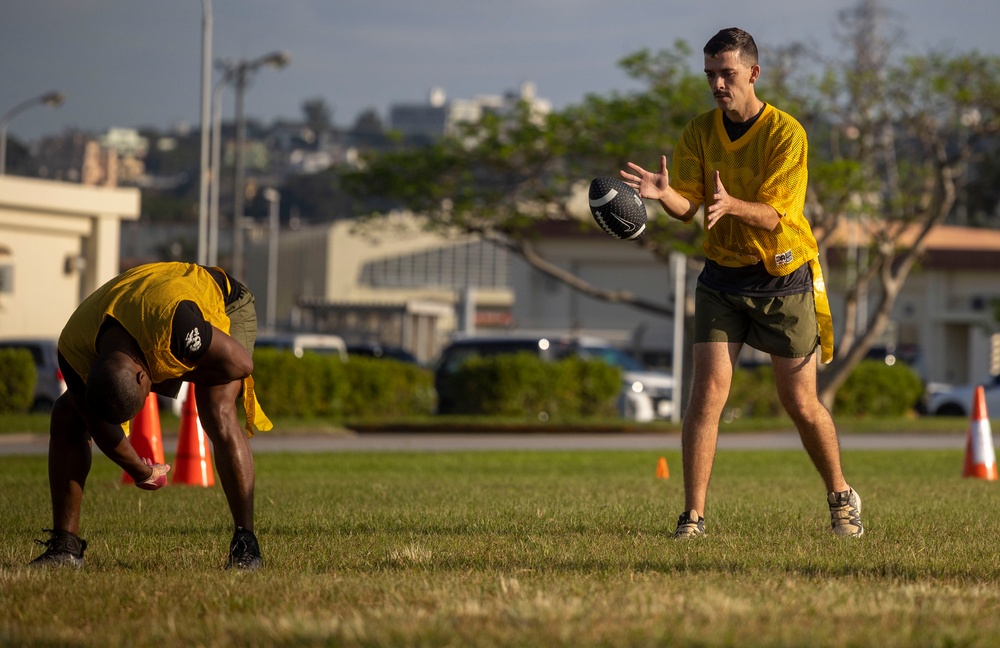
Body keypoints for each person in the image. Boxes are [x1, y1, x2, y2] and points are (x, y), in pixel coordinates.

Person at [620, 27, 863, 539]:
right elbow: (689, 209)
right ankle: (693, 517)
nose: (717, 84)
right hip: (721, 280)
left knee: (799, 403)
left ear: (753, 73)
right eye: (710, 74)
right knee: (706, 396)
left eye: (726, 73)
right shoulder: (699, 131)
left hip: (781, 276)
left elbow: (777, 215)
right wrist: (665, 196)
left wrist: (729, 205)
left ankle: (841, 495)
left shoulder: (785, 133)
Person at [29, 262, 273, 569]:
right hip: (149, 317)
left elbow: (241, 365)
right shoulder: (73, 348)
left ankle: (246, 544)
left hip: (222, 300)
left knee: (217, 409)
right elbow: (96, 423)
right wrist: (142, 471)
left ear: (145, 377)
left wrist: (174, 372)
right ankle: (65, 547)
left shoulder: (179, 328)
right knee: (66, 415)